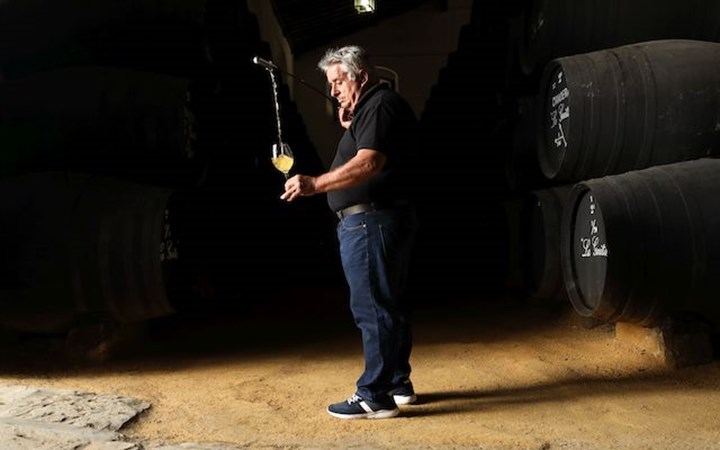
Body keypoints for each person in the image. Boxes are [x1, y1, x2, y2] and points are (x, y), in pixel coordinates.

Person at [280, 45, 420, 419]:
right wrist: (354, 125)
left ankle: (374, 394)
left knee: (372, 307)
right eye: (330, 84)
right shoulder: (375, 108)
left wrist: (315, 184)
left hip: (370, 220)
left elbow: (369, 162)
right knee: (389, 304)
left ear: (361, 76)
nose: (333, 91)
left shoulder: (380, 104)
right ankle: (396, 383)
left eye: (338, 81)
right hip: (381, 218)